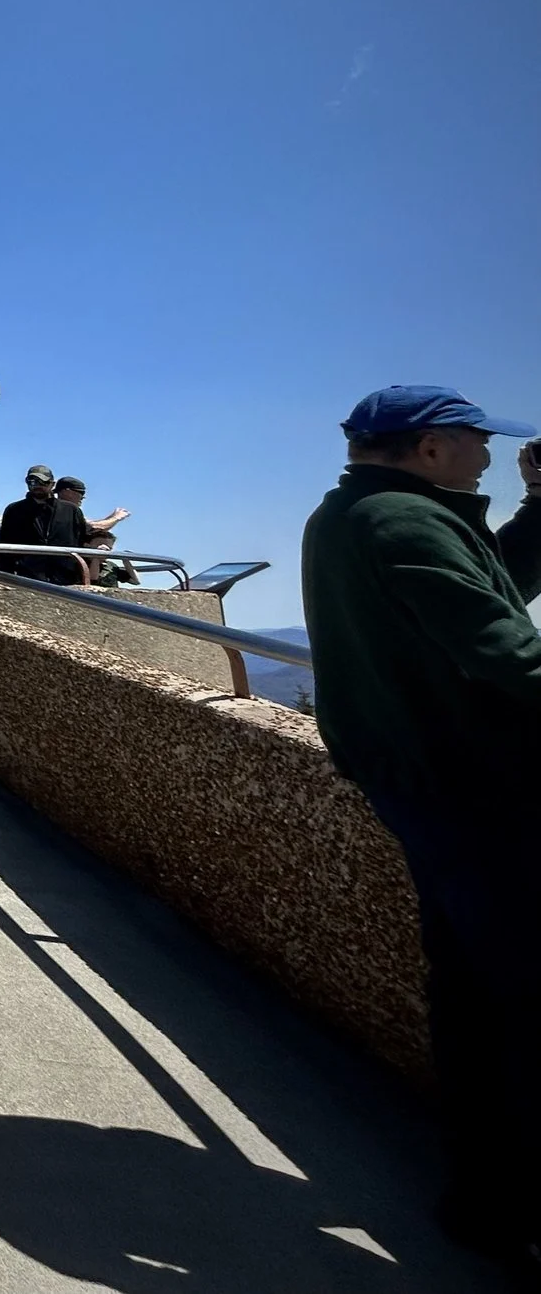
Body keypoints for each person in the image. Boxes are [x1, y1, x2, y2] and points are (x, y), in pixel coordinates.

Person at [302, 386, 541, 1273]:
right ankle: (509, 1200)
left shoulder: (359, 512)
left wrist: (537, 506)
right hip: (474, 788)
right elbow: (504, 645)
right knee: (519, 995)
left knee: (475, 986)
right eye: (478, 440)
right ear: (432, 447)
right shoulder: (402, 521)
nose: (491, 455)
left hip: (428, 784)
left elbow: (489, 587)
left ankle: (485, 1198)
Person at [0, 464, 94, 584]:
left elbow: (81, 541)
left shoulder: (71, 511)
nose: (37, 485)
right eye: (32, 482)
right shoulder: (14, 510)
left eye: (43, 482)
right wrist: (8, 576)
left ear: (52, 484)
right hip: (26, 577)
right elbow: (5, 545)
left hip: (65, 578)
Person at [57, 475, 132, 535]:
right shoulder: (63, 510)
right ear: (67, 492)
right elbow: (94, 527)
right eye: (81, 492)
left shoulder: (66, 510)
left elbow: (92, 525)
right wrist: (117, 517)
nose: (83, 497)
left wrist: (111, 517)